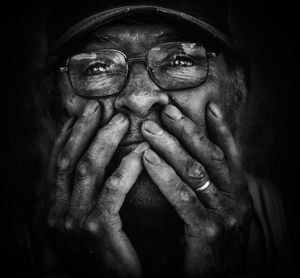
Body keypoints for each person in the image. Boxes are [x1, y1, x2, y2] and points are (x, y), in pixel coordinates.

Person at [28, 0, 291, 277]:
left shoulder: (288, 219)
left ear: (237, 95)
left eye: (180, 60)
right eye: (98, 68)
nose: (139, 99)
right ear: (54, 108)